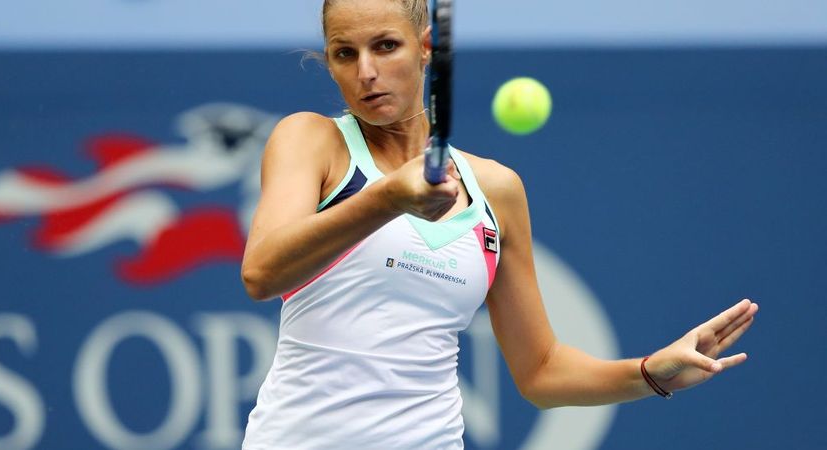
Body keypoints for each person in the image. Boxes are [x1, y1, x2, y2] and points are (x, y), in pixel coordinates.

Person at [240, 0, 759, 448]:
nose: (366, 72)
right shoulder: (310, 140)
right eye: (344, 53)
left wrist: (650, 373)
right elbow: (262, 272)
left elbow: (541, 371)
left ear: (426, 49)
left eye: (385, 46)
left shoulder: (497, 189)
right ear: (328, 63)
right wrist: (388, 199)